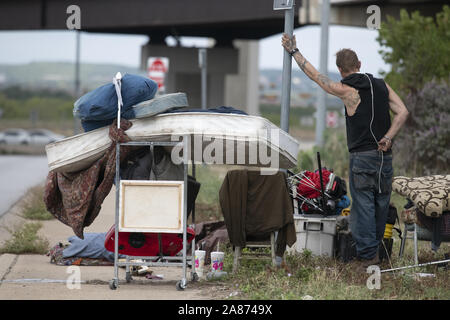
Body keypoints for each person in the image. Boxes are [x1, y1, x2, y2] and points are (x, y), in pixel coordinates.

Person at [281, 33, 409, 269]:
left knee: (363, 207)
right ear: (360, 65)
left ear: (341, 70)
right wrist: (388, 137)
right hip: (385, 157)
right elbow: (403, 112)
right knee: (381, 204)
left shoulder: (347, 90)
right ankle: (377, 253)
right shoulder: (382, 85)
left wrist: (294, 51)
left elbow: (317, 78)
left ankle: (369, 257)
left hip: (362, 158)